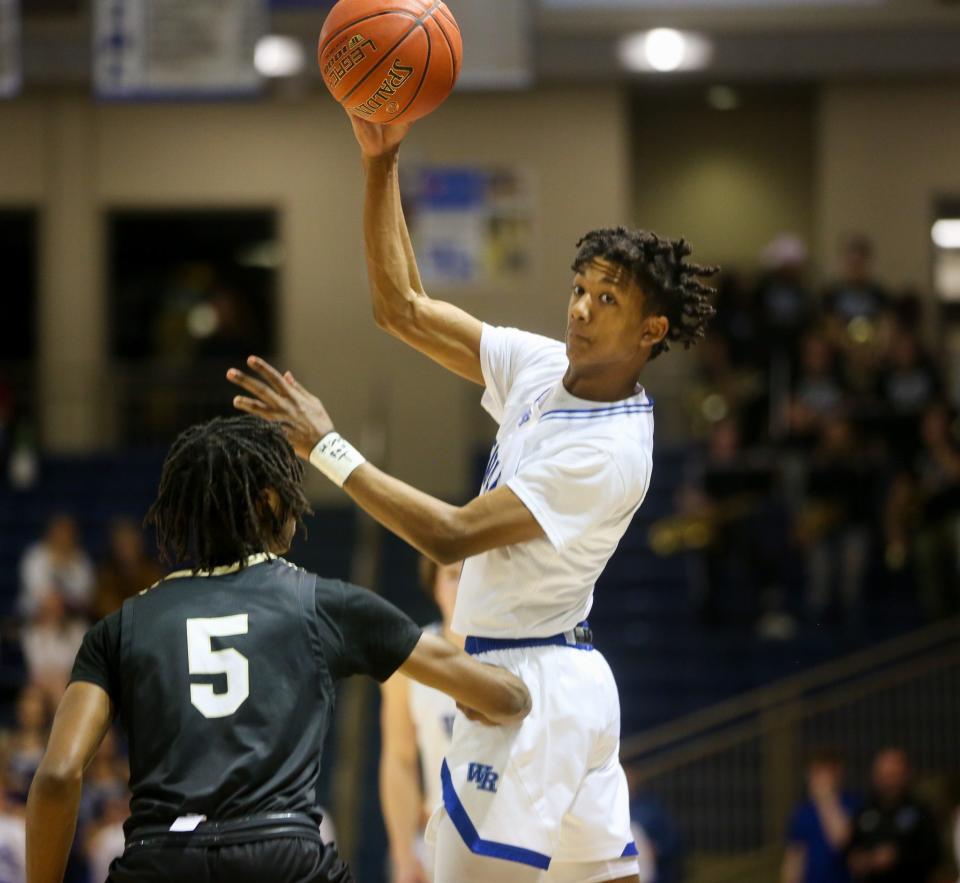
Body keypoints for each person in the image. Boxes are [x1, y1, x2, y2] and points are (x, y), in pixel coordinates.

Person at [228, 113, 716, 883]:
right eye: (580, 288)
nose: (582, 309)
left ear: (652, 329)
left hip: (525, 684)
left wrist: (325, 443)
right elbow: (404, 308)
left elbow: (451, 535)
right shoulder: (542, 365)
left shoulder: (609, 450)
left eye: (608, 300)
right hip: (569, 679)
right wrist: (381, 161)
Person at [26, 416, 531, 883]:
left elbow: (57, 775)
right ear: (270, 500)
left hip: (161, 857)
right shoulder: (324, 602)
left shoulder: (121, 625)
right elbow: (505, 698)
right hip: (283, 855)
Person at [380, 558, 461, 883]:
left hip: (513, 840)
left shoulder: (522, 658)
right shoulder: (411, 660)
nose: (465, 586)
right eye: (453, 576)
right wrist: (403, 854)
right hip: (441, 841)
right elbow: (399, 760)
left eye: (476, 575)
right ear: (435, 587)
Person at [848, 747, 940, 883]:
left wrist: (898, 857)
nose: (887, 781)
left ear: (905, 774)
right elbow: (850, 847)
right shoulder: (864, 809)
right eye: (882, 775)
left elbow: (934, 853)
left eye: (893, 775)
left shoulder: (920, 811)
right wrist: (860, 859)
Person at [782, 750, 859, 883]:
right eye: (812, 773)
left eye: (820, 772)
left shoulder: (851, 804)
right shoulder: (803, 810)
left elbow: (841, 841)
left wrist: (826, 801)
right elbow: (795, 855)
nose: (814, 778)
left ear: (837, 773)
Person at [93, 518, 164, 619]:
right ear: (115, 546)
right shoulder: (106, 574)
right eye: (122, 544)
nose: (126, 549)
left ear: (139, 543)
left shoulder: (151, 571)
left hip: (147, 624)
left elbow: (157, 601)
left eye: (130, 542)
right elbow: (106, 607)